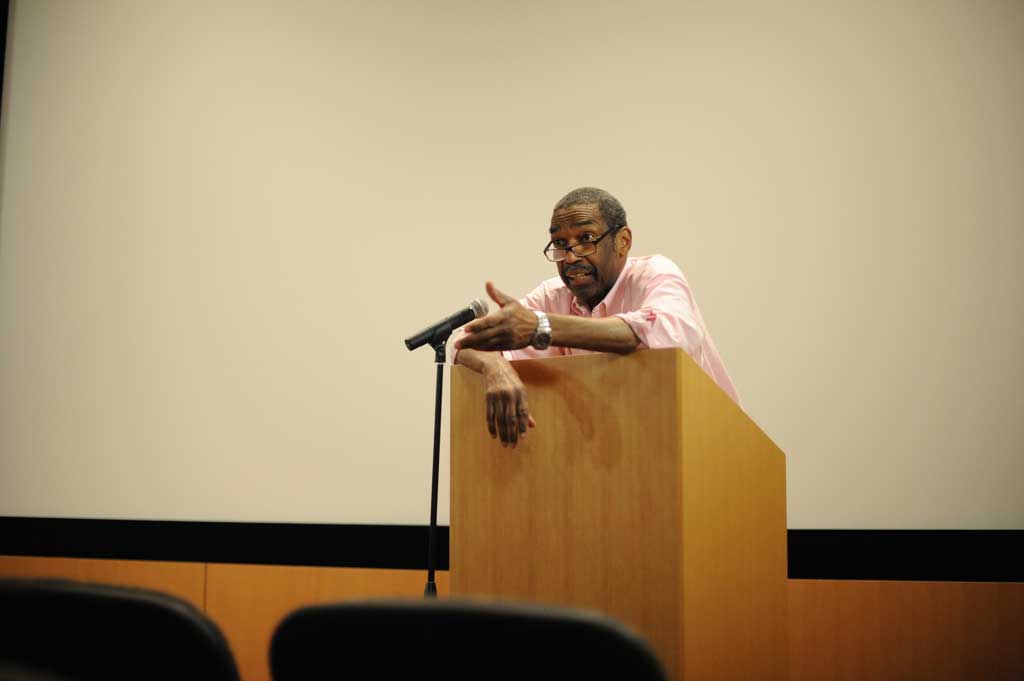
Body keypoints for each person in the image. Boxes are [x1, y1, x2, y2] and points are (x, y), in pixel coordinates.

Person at [454, 187, 739, 448]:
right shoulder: (552, 296)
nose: (571, 256)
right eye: (560, 243)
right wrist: (497, 369)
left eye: (586, 239)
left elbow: (668, 337)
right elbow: (465, 342)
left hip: (710, 447)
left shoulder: (655, 274)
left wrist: (541, 327)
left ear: (623, 241)